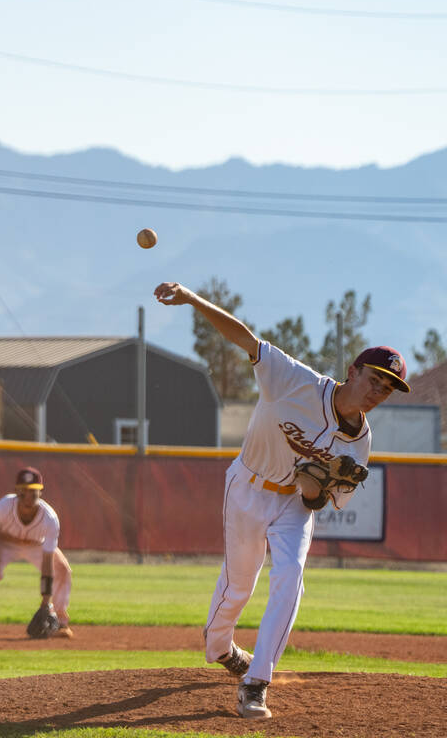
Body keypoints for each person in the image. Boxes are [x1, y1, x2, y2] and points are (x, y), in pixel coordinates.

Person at [154, 281, 408, 720]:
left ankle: (256, 682)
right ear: (354, 371)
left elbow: (325, 500)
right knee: (239, 587)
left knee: (291, 576)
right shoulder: (294, 380)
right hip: (247, 488)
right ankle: (219, 645)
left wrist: (313, 494)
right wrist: (194, 300)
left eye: (388, 388)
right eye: (375, 379)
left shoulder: (361, 442)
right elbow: (244, 338)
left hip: (291, 503)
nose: (378, 391)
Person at [0, 466, 73, 639]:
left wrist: (45, 600)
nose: (29, 496)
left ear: (40, 493)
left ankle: (60, 622)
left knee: (62, 569)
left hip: (36, 545)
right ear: (17, 492)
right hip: (5, 543)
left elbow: (48, 560)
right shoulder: (3, 506)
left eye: (34, 491)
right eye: (25, 491)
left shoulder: (49, 518)